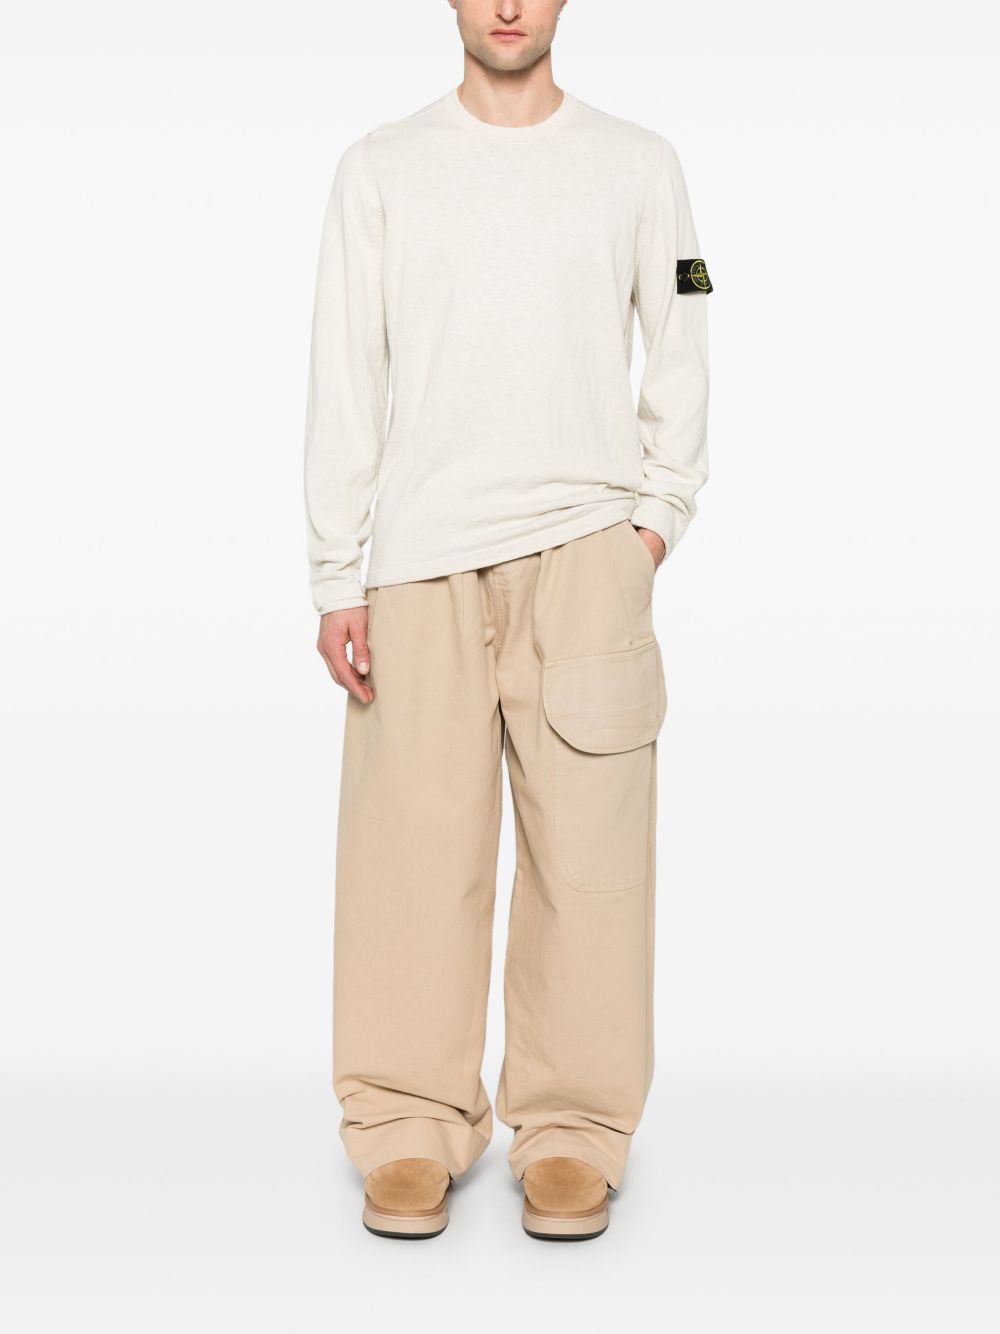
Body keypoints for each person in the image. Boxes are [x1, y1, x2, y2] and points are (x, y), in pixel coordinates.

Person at [304, 0, 711, 1241]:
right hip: (418, 566)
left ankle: (575, 1127)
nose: (507, 5)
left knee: (590, 860)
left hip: (587, 554)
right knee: (408, 862)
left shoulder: (638, 164)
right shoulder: (380, 168)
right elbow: (344, 371)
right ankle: (405, 1118)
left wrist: (652, 525)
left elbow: (683, 343)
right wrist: (336, 574)